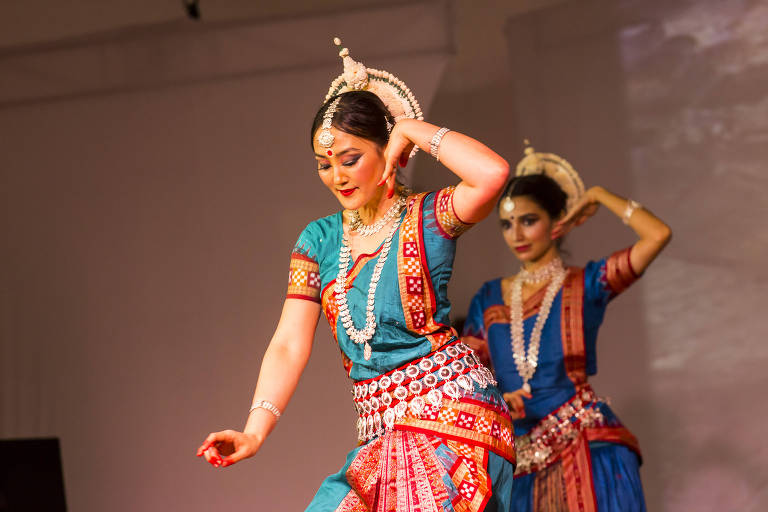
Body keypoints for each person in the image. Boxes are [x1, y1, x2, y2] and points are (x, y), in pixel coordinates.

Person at [196, 40, 517, 512]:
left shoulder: (427, 217)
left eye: (350, 160)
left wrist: (412, 128)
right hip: (383, 438)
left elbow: (492, 174)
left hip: (453, 423)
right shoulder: (318, 240)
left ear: (389, 151)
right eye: (324, 165)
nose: (336, 177)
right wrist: (253, 431)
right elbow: (288, 342)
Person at [462, 145, 671, 511]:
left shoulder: (586, 283)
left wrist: (599, 196)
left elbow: (658, 235)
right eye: (507, 224)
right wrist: (495, 398)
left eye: (529, 220)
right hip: (520, 457)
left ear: (558, 221)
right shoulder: (490, 297)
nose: (516, 234)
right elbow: (469, 376)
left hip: (586, 444)